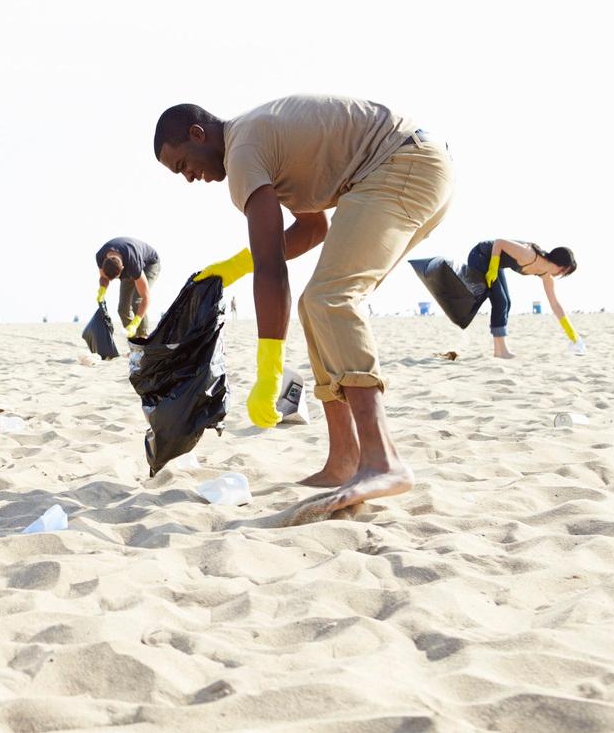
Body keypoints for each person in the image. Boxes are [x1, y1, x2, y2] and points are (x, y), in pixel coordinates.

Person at [154, 94, 454, 515]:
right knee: (317, 306)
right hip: (415, 165)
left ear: (197, 134)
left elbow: (272, 269)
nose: (189, 177)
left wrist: (268, 369)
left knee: (332, 298)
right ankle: (344, 460)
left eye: (183, 164)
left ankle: (381, 460)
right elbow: (313, 228)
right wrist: (235, 266)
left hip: (400, 164)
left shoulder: (241, 152)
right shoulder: (261, 144)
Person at [466, 239, 579, 358]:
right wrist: (493, 268)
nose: (560, 274)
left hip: (495, 261)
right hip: (480, 255)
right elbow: (499, 243)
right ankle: (502, 350)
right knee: (501, 301)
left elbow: (555, 304)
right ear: (557, 262)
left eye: (564, 274)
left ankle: (498, 351)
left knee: (506, 303)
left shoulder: (546, 275)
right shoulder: (529, 255)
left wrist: (572, 335)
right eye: (562, 270)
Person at [95, 237, 161, 338]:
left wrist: (135, 323)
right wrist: (102, 291)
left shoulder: (133, 264)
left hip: (149, 264)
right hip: (128, 262)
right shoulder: (100, 256)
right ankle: (134, 342)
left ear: (122, 269)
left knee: (137, 301)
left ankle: (143, 337)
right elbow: (104, 278)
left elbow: (146, 298)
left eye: (117, 277)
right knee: (122, 308)